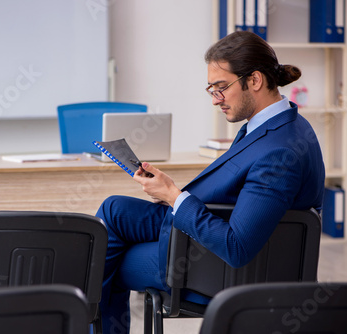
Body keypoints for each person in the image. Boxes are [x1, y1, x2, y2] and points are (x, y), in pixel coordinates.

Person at [95, 31, 325, 333]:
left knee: (102, 264)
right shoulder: (274, 124)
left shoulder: (280, 153)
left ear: (254, 80)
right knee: (113, 210)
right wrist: (170, 193)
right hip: (201, 228)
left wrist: (176, 198)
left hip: (214, 265)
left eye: (221, 87)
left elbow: (237, 246)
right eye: (211, 89)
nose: (216, 99)